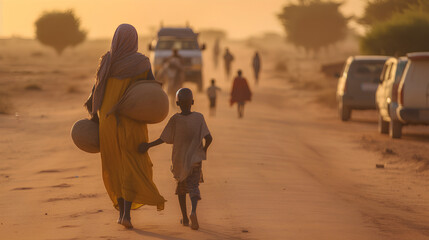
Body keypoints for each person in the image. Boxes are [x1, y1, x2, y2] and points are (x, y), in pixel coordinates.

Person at [84, 24, 166, 229]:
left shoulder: (107, 61)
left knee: (114, 165)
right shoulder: (142, 63)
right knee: (132, 164)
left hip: (108, 123)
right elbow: (152, 89)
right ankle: (127, 214)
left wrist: (95, 115)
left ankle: (121, 213)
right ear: (134, 40)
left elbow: (96, 90)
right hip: (132, 123)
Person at [138, 88, 213, 230]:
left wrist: (148, 145)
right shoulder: (199, 118)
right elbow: (209, 138)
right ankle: (193, 211)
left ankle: (185, 218)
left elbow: (163, 138)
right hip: (195, 160)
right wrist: (203, 151)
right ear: (192, 102)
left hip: (179, 161)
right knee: (194, 187)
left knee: (181, 189)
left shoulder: (175, 119)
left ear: (177, 103)